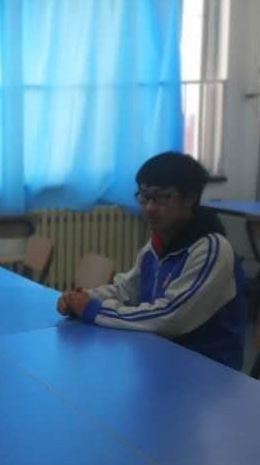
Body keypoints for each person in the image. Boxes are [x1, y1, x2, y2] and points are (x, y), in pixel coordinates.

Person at [56, 152, 246, 369]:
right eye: (144, 197)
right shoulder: (157, 243)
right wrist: (81, 298)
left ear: (190, 198)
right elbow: (126, 290)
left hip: (207, 369)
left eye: (162, 198)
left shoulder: (212, 249)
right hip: (159, 355)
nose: (149, 208)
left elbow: (171, 317)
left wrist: (94, 309)